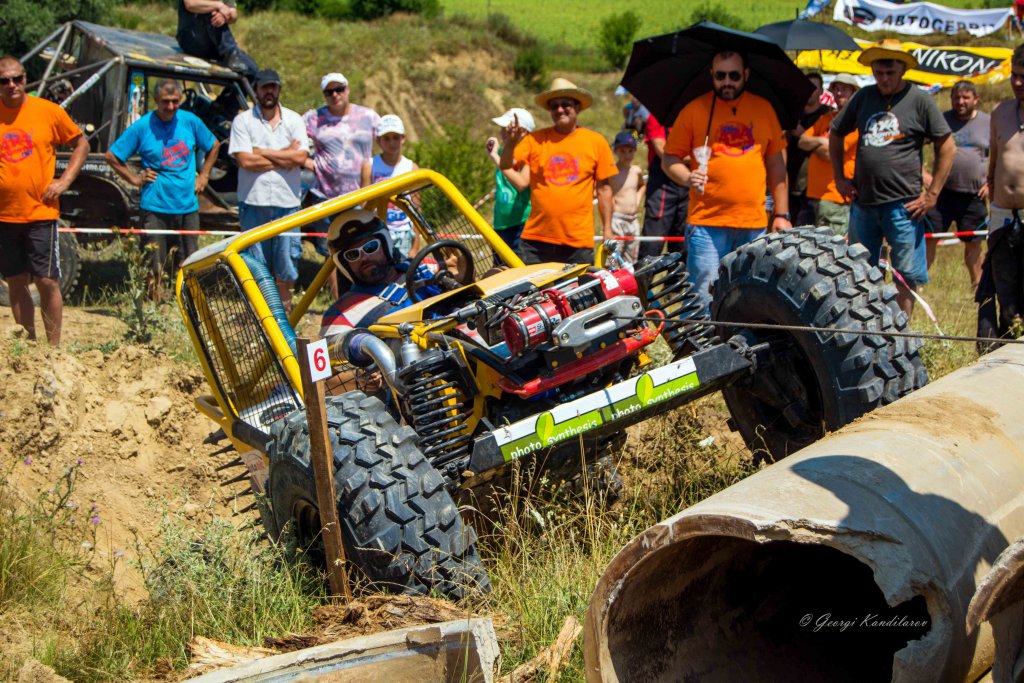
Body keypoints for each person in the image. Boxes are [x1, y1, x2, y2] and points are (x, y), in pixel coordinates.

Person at [830, 39, 954, 317]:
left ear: (902, 70)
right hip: (863, 200)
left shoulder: (920, 100)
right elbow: (836, 132)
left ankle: (901, 330)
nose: (884, 79)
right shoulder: (864, 97)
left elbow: (947, 145)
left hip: (905, 205)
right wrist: (839, 178)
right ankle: (866, 326)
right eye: (879, 73)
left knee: (905, 274)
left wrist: (933, 194)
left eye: (890, 73)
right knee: (859, 270)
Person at [661, 50, 791, 310]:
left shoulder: (763, 108)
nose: (727, 82)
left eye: (734, 75)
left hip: (753, 223)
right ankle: (704, 337)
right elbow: (669, 158)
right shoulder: (696, 109)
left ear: (746, 75)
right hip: (706, 223)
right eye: (720, 76)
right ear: (712, 75)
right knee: (703, 298)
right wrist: (687, 177)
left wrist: (782, 213)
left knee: (750, 299)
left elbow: (776, 165)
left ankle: (740, 338)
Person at [0, 55, 89, 346]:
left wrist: (64, 182)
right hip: (4, 215)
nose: (12, 85)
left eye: (17, 79)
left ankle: (53, 350)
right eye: (4, 81)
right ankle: (28, 346)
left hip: (41, 212)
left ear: (26, 79)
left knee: (47, 281)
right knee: (15, 282)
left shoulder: (47, 111)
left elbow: (81, 144)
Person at [105, 79, 220, 301]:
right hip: (155, 205)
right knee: (154, 261)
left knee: (191, 261)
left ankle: (189, 303)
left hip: (187, 204)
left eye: (175, 101)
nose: (170, 106)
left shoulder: (190, 121)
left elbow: (214, 145)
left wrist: (204, 175)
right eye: (165, 102)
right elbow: (111, 156)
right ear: (156, 100)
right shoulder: (143, 126)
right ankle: (155, 306)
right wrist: (135, 178)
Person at [499, 78, 617, 266]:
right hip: (535, 241)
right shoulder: (536, 140)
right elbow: (506, 165)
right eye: (554, 106)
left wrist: (607, 229)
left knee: (579, 286)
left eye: (565, 104)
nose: (560, 110)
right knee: (531, 286)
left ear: (577, 107)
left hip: (577, 242)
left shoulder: (596, 142)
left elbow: (604, 190)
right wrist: (511, 143)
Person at [229, 68, 308, 311]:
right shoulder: (243, 121)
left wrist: (261, 151)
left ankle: (284, 315)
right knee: (256, 264)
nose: (269, 92)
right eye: (264, 87)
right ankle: (260, 315)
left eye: (273, 87)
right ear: (256, 90)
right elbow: (245, 161)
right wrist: (286, 155)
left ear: (279, 89)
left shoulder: (294, 120)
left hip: (287, 203)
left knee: (287, 263)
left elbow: (301, 158)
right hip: (254, 202)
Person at [303, 71, 379, 298]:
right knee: (332, 253)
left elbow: (389, 141)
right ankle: (339, 302)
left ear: (348, 89)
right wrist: (309, 163)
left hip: (361, 195)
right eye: (329, 91)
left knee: (365, 247)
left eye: (339, 89)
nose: (335, 94)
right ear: (324, 95)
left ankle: (366, 296)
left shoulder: (369, 116)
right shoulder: (312, 118)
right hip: (326, 195)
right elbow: (292, 142)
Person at [319, 209, 443, 334]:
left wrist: (455, 272)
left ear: (385, 245)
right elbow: (334, 342)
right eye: (352, 254)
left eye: (370, 247)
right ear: (344, 264)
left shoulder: (423, 268)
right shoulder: (340, 315)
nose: (364, 257)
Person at [924, 81, 989, 288]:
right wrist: (923, 175)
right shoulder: (941, 120)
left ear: (976, 99)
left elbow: (1002, 153)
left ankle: (977, 287)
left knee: (974, 243)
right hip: (941, 193)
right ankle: (918, 284)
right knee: (928, 238)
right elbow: (912, 146)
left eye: (966, 97)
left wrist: (992, 182)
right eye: (956, 97)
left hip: (974, 195)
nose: (960, 102)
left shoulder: (988, 122)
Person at [982, 44, 1024, 340]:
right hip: (1002, 215)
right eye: (1014, 75)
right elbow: (994, 162)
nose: (1017, 82)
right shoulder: (1000, 112)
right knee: (1004, 295)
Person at [799, 73, 860, 235]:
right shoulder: (826, 118)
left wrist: (814, 144)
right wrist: (821, 141)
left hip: (836, 196)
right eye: (836, 89)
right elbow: (802, 141)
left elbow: (830, 154)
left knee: (831, 246)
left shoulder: (855, 121)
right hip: (813, 194)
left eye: (844, 89)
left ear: (853, 92)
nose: (839, 93)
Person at [360, 114, 420, 257]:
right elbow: (363, 205)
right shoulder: (370, 166)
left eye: (395, 137)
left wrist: (416, 244)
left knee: (404, 269)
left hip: (404, 232)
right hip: (376, 231)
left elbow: (417, 208)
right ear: (378, 141)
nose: (391, 142)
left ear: (403, 138)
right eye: (386, 138)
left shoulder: (411, 168)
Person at [639, 112, 688, 261]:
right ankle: (645, 275)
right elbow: (662, 150)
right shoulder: (657, 117)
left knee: (682, 244)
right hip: (662, 186)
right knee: (653, 243)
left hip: (687, 185)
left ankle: (679, 276)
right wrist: (695, 156)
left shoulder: (692, 117)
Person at [485, 107, 533, 256]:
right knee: (500, 267)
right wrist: (495, 153)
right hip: (501, 224)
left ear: (522, 131)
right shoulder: (502, 153)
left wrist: (495, 157)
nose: (501, 132)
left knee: (519, 267)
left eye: (506, 129)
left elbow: (521, 184)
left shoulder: (531, 153)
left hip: (522, 223)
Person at [787, 72, 831, 226]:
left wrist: (803, 136)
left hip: (813, 186)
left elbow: (827, 149)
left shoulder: (826, 115)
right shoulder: (793, 113)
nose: (809, 91)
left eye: (814, 88)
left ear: (821, 91)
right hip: (790, 180)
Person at [177, 0, 257, 80]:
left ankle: (248, 81)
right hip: (190, 38)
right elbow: (190, 4)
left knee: (250, 67)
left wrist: (223, 17)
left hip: (215, 43)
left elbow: (234, 14)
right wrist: (219, 6)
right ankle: (231, 53)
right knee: (211, 12)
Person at [607, 131, 646, 267]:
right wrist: (611, 203)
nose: (627, 155)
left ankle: (628, 277)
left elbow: (642, 185)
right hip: (617, 219)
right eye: (622, 151)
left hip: (633, 220)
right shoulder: (611, 171)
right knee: (612, 254)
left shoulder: (636, 171)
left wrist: (637, 200)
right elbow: (602, 190)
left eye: (630, 151)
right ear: (616, 151)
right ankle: (609, 273)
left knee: (631, 258)